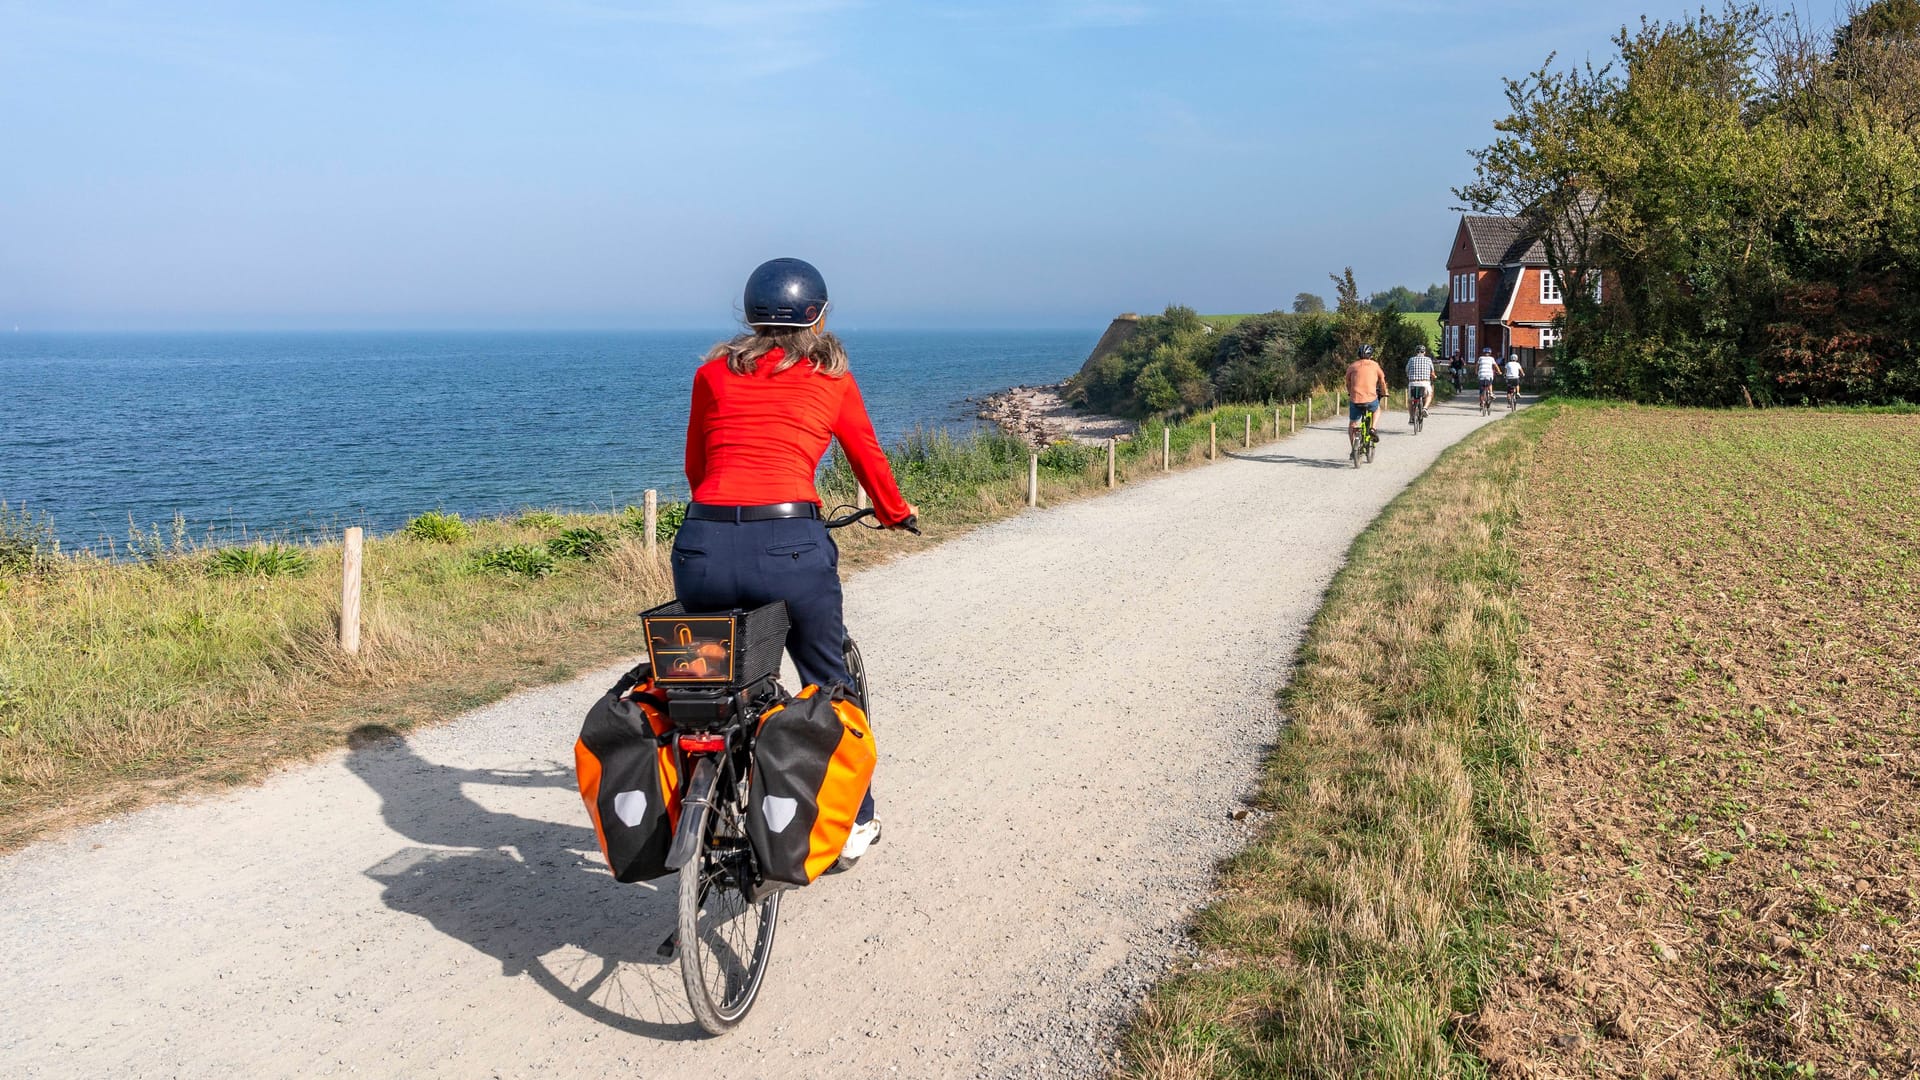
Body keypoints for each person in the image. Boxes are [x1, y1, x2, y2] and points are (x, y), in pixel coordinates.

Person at [673, 257, 916, 867]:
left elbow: (697, 470)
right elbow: (868, 458)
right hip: (790, 546)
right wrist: (893, 512)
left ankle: (700, 804)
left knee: (706, 682)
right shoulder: (832, 380)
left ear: (750, 316)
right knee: (827, 679)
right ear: (819, 315)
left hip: (702, 543)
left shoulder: (711, 374)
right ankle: (854, 819)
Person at [1346, 344, 1388, 449]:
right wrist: (1384, 392)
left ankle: (1353, 449)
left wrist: (1350, 392)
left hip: (1355, 399)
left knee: (1353, 424)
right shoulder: (1375, 365)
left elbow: (1347, 382)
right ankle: (1373, 428)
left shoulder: (1352, 366)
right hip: (1370, 399)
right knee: (1377, 409)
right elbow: (1382, 381)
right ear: (1371, 355)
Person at [1404, 344, 1435, 425]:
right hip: (1424, 383)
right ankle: (1425, 408)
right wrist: (1434, 376)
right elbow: (1432, 372)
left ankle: (1411, 418)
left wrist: (1409, 376)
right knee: (1429, 395)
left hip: (1413, 382)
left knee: (1410, 401)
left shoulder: (1411, 359)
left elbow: (1407, 370)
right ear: (1424, 352)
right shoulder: (1428, 360)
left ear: (1416, 352)